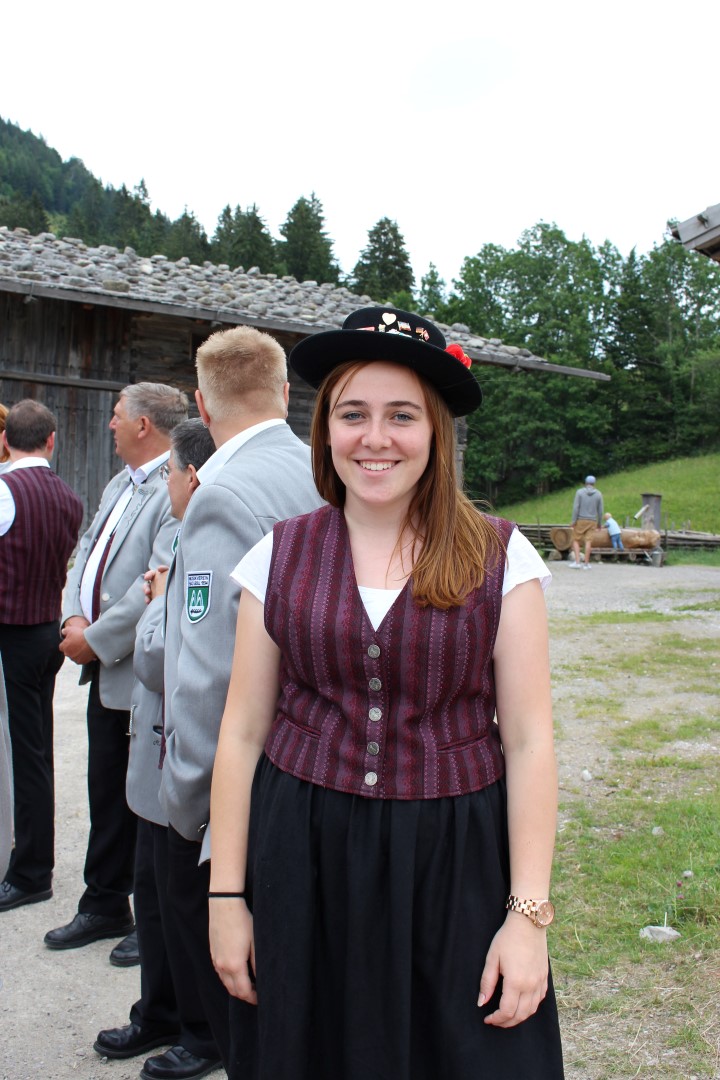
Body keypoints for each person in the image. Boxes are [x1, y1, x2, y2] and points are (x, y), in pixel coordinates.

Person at [208, 306, 564, 1079]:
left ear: (435, 431)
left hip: (455, 867)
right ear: (325, 430)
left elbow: (529, 740)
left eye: (401, 415)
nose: (375, 438)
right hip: (302, 860)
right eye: (353, 415)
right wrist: (227, 898)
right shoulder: (277, 554)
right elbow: (241, 732)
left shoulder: (503, 558)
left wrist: (527, 917)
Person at [159, 324, 324, 1070]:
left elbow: (208, 674)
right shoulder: (322, 471)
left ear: (201, 403)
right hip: (315, 774)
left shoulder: (221, 496)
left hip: (243, 801)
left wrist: (188, 810)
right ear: (287, 394)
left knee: (248, 1024)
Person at [94, 419, 222, 1080]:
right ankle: (159, 1010)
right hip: (153, 755)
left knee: (180, 899)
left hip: (174, 749)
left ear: (191, 476)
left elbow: (156, 655)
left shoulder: (198, 541)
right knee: (154, 892)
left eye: (170, 472)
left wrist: (155, 601)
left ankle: (198, 1031)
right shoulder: (179, 531)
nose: (165, 483)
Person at [45, 382, 188, 952]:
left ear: (144, 425)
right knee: (105, 789)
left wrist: (95, 640)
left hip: (135, 669)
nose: (110, 423)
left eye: (117, 415)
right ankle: (104, 904)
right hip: (103, 663)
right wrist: (72, 616)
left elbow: (153, 583)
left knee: (141, 801)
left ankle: (141, 918)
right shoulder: (118, 483)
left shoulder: (174, 485)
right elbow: (85, 552)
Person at [0, 400, 84, 912]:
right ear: (51, 441)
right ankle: (33, 862)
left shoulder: (4, 491)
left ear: (5, 439)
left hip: (9, 637)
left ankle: (31, 870)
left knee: (19, 756)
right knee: (36, 754)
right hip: (44, 632)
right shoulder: (69, 498)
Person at [570, 474, 603, 569]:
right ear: (594, 484)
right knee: (588, 541)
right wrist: (599, 523)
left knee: (576, 540)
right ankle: (586, 564)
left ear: (585, 483)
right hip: (592, 521)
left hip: (581, 519)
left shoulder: (579, 492)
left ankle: (577, 562)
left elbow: (576, 508)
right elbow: (600, 511)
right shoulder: (598, 494)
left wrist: (573, 521)